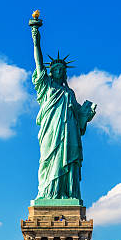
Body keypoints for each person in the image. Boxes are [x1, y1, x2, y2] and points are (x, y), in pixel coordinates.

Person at [30, 23, 97, 201]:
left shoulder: (69, 93)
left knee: (69, 159)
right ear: (51, 72)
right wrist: (36, 41)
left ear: (65, 73)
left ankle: (68, 193)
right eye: (56, 69)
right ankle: (48, 193)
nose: (59, 71)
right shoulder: (46, 87)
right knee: (48, 160)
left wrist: (86, 114)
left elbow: (78, 114)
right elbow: (38, 65)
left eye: (62, 69)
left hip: (69, 133)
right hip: (50, 132)